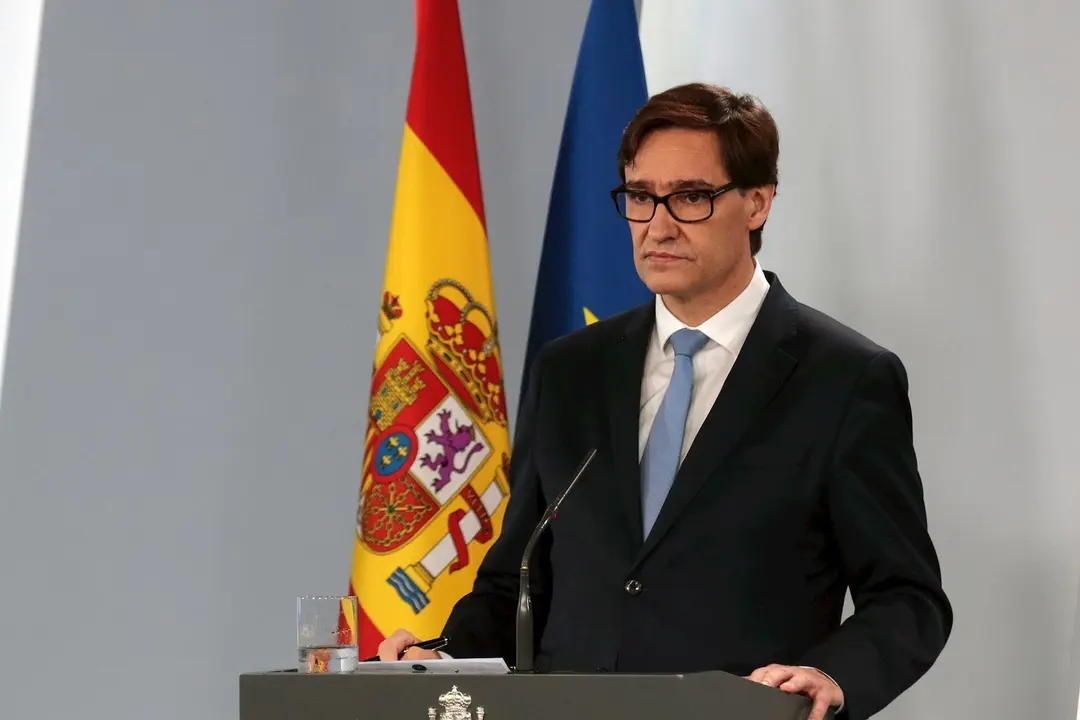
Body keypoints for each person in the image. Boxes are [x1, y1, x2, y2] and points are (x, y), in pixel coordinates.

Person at [379, 83, 952, 720]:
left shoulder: (844, 379)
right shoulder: (570, 370)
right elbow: (517, 579)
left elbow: (908, 598)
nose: (659, 224)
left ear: (757, 202)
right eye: (641, 197)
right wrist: (438, 659)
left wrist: (830, 676)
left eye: (691, 197)